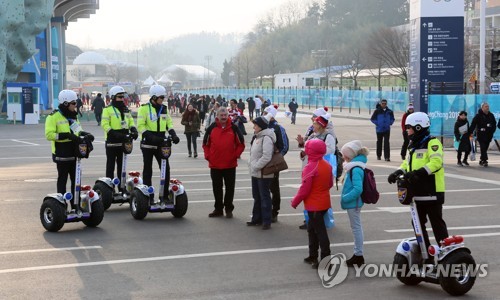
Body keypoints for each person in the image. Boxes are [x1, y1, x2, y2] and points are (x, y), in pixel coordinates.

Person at [387, 112, 449, 261]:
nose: (407, 130)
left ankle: (445, 255)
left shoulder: (432, 143)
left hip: (432, 191)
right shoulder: (412, 145)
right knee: (417, 224)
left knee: (437, 224)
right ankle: (426, 254)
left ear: (419, 127)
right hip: (417, 192)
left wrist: (417, 173)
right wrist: (398, 172)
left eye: (409, 127)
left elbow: (436, 163)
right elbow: (406, 164)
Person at [45, 90, 94, 205]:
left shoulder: (73, 116)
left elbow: (78, 130)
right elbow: (49, 135)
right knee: (62, 179)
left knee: (76, 180)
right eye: (73, 103)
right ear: (65, 103)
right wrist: (66, 136)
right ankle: (61, 204)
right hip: (61, 154)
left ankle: (75, 203)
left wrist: (86, 134)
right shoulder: (53, 117)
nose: (75, 106)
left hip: (75, 153)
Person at [291, 139, 332, 268]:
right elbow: (330, 184)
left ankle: (325, 260)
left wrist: (295, 201)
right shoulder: (326, 165)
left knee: (319, 232)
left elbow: (305, 189)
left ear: (311, 151)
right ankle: (312, 255)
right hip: (324, 202)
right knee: (312, 230)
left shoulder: (310, 167)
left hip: (314, 205)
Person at [137, 85, 180, 203]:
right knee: (148, 169)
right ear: (154, 97)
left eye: (163, 97)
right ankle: (148, 196)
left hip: (161, 143)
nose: (163, 99)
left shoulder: (164, 109)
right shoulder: (144, 109)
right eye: (161, 97)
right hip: (148, 143)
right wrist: (151, 137)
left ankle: (164, 196)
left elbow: (168, 123)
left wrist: (173, 134)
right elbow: (140, 125)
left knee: (165, 169)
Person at [203, 107, 245, 218]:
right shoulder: (211, 128)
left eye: (225, 115)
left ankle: (228, 208)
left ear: (228, 116)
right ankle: (218, 209)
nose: (223, 117)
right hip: (215, 164)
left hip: (230, 165)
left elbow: (241, 144)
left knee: (230, 188)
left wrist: (235, 156)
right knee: (217, 188)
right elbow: (205, 144)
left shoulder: (234, 128)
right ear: (217, 116)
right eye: (221, 115)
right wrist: (208, 156)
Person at [340, 140, 369, 267]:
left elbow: (358, 189)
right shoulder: (353, 166)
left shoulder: (355, 168)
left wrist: (345, 198)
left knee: (356, 228)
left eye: (344, 155)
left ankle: (358, 255)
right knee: (356, 227)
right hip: (354, 203)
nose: (342, 157)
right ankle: (358, 254)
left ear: (349, 156)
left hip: (354, 203)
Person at [101, 86, 138, 180]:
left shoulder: (125, 109)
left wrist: (133, 129)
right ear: (113, 97)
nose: (122, 99)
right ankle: (109, 188)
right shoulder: (107, 109)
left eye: (123, 97)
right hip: (112, 141)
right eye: (120, 97)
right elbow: (104, 124)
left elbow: (130, 121)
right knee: (110, 166)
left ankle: (122, 186)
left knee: (122, 166)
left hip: (124, 141)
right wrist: (114, 133)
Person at [247, 114, 275, 229]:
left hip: (263, 172)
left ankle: (266, 220)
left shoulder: (266, 137)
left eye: (255, 125)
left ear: (261, 126)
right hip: (256, 172)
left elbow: (267, 156)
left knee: (264, 197)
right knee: (256, 196)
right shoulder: (257, 137)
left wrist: (256, 166)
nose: (254, 127)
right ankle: (256, 218)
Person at [263, 105, 289, 223]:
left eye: (266, 113)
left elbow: (284, 146)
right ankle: (264, 210)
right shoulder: (262, 126)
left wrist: (277, 159)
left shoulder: (278, 128)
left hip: (273, 164)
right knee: (262, 188)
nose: (264, 115)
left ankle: (274, 211)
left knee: (274, 188)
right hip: (262, 162)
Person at [469, 102, 497, 167]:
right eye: (486, 106)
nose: (487, 108)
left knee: (485, 148)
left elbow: (494, 124)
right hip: (481, 135)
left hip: (489, 135)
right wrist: (470, 132)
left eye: (488, 106)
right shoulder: (478, 116)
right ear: (482, 108)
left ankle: (481, 159)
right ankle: (485, 161)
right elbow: (473, 124)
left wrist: (492, 131)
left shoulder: (491, 115)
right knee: (483, 147)